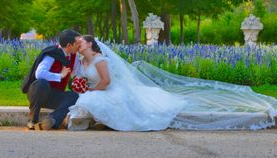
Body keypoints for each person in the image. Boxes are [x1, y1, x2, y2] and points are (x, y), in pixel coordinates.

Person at [67, 35, 277, 131]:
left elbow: (106, 80)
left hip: (108, 88)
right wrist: (80, 83)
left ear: (90, 44)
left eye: (81, 42)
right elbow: (80, 77)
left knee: (94, 99)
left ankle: (88, 120)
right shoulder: (82, 60)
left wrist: (93, 88)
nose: (79, 44)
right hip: (99, 90)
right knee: (89, 98)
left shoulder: (100, 60)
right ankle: (84, 120)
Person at [21, 29, 82, 130]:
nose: (79, 46)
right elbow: (39, 73)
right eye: (77, 43)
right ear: (69, 45)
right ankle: (32, 120)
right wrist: (60, 75)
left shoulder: (74, 56)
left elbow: (78, 73)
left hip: (55, 95)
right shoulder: (52, 54)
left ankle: (52, 120)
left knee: (74, 96)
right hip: (38, 93)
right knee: (42, 83)